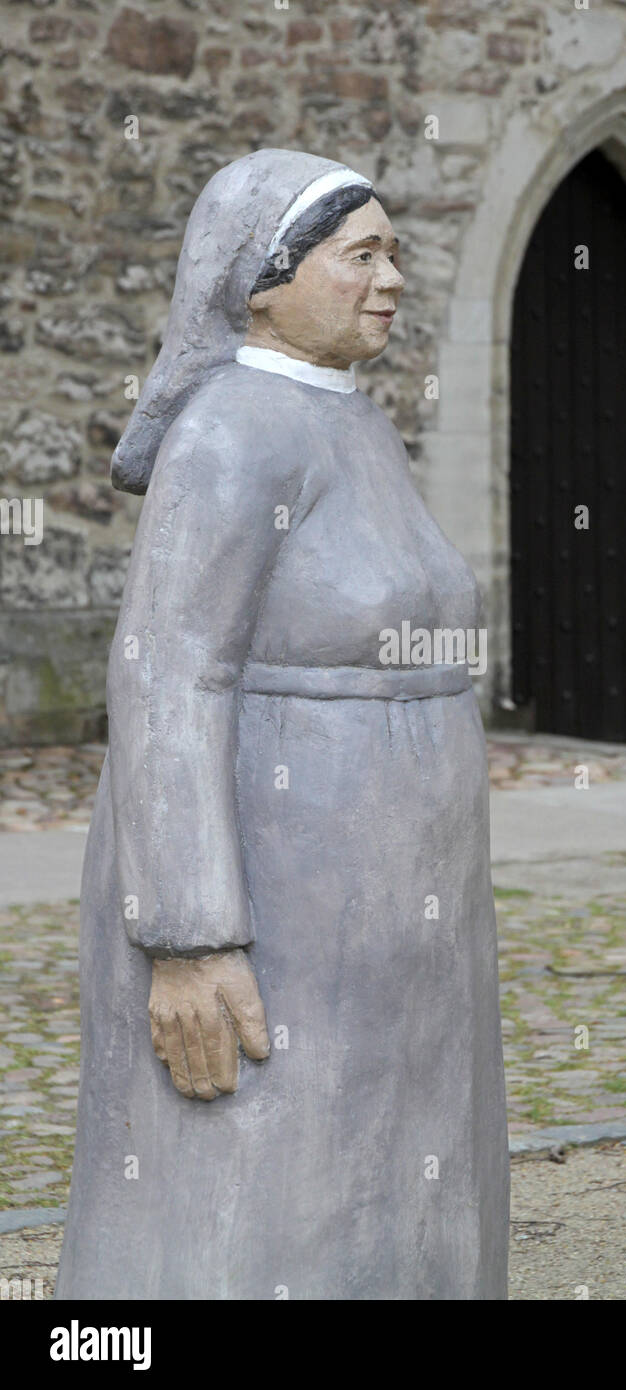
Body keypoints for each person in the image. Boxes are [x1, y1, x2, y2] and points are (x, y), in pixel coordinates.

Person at [55, 149, 510, 1300]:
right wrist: (190, 936)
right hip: (280, 896)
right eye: (361, 255)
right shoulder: (232, 432)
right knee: (269, 1169)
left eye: (395, 252)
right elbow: (166, 673)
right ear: (262, 282)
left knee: (389, 1154)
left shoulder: (354, 426)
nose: (392, 278)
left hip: (393, 917)